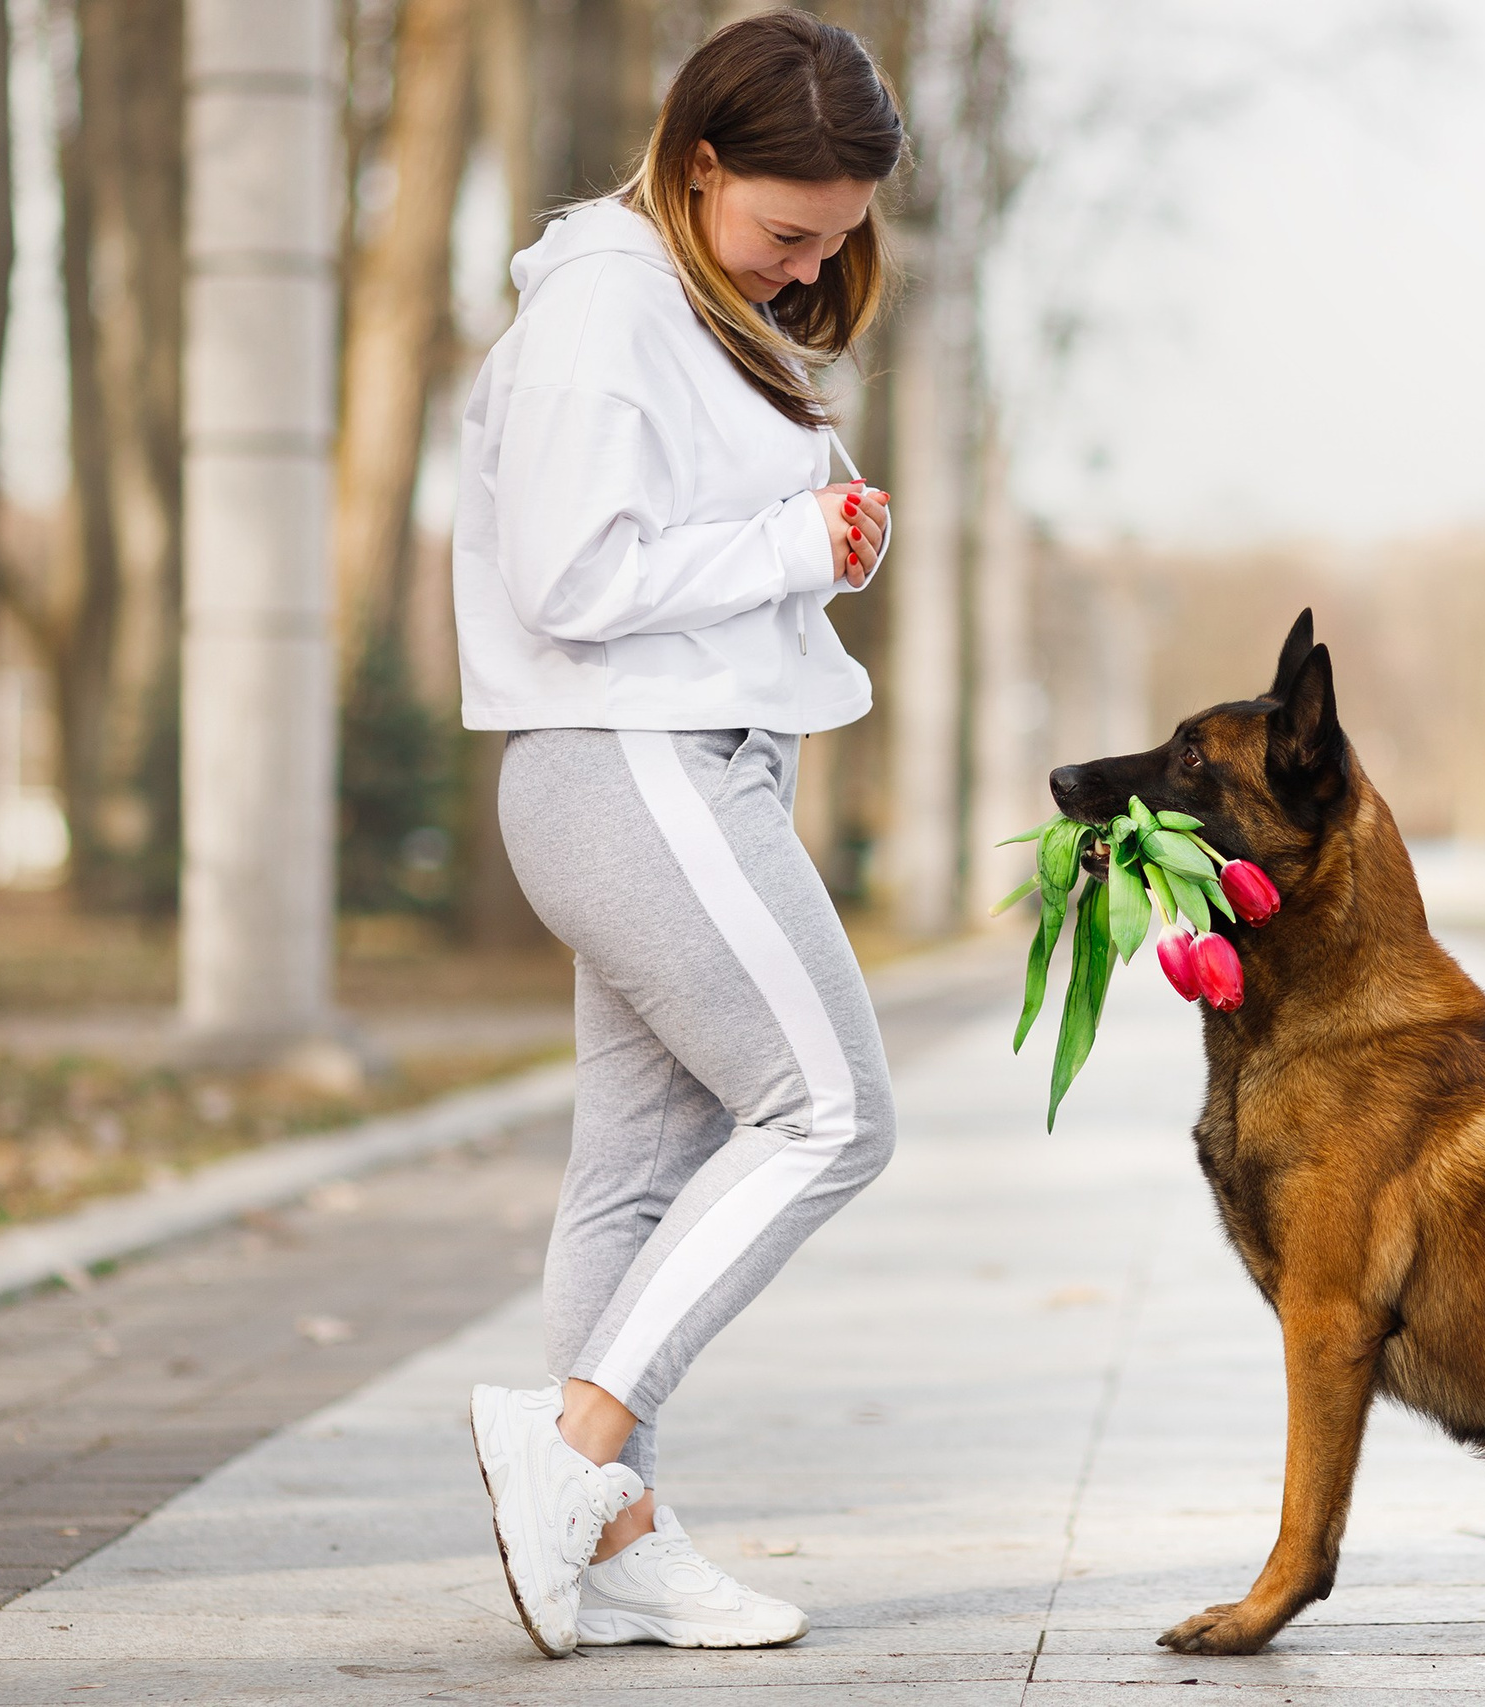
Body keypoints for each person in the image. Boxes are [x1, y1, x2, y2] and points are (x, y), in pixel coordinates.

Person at [450, 11, 902, 1660]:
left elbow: (677, 539)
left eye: (839, 242)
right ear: (698, 159)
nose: (805, 269)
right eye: (786, 231)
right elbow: (571, 580)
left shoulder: (689, 309)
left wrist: (811, 539)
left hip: (673, 762)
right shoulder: (606, 310)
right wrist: (792, 542)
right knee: (833, 1111)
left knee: (635, 1175)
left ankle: (620, 1538)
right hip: (628, 760)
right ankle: (572, 1453)